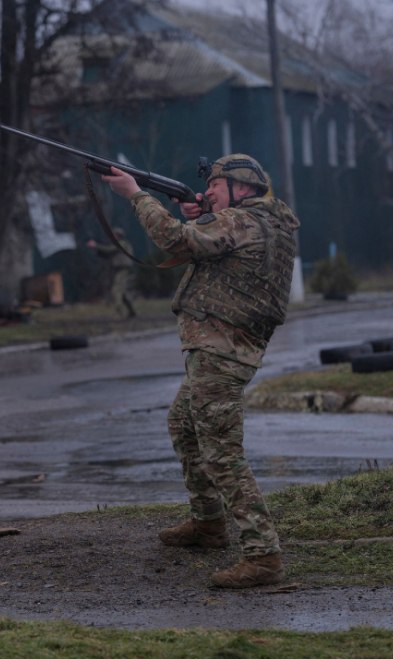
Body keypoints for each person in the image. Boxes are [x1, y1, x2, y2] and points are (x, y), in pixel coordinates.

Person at [99, 154, 300, 589]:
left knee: (222, 452)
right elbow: (207, 242)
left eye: (216, 185)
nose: (207, 192)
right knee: (184, 425)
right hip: (223, 347)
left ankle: (263, 556)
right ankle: (208, 523)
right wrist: (206, 214)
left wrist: (135, 195)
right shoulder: (260, 222)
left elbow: (175, 240)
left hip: (221, 350)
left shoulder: (240, 222)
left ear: (242, 189)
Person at [85, 227, 139, 317]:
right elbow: (107, 254)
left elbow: (109, 250)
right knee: (123, 292)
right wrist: (97, 249)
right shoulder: (118, 244)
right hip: (118, 269)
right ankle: (132, 312)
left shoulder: (122, 243)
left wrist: (96, 245)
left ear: (118, 235)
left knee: (116, 290)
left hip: (123, 269)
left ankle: (120, 312)